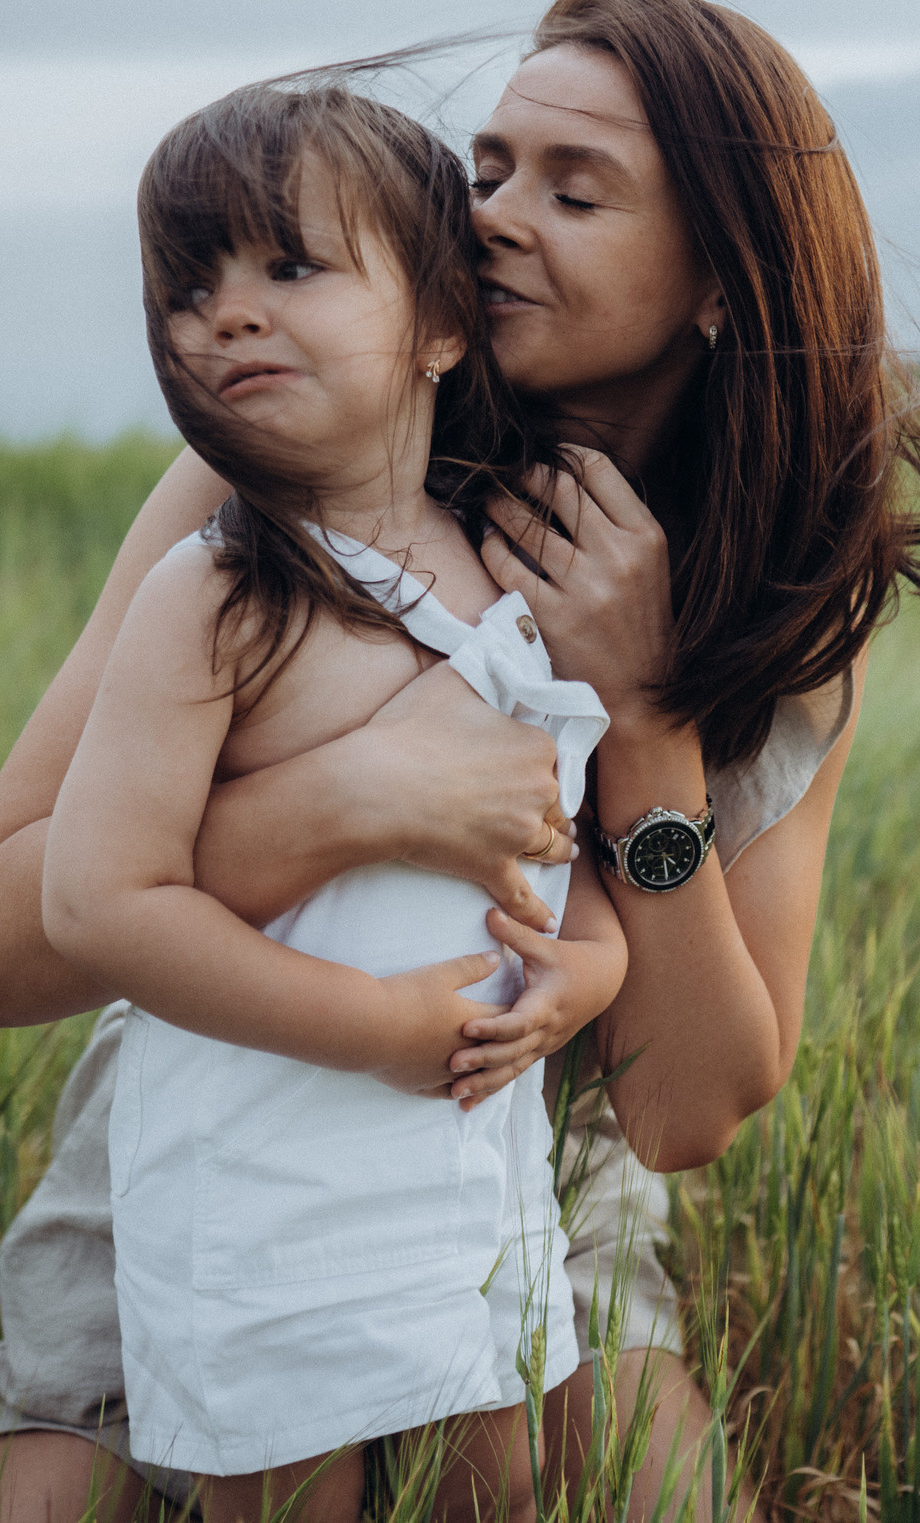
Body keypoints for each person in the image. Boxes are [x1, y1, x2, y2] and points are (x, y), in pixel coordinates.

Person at [0, 0, 920, 1523]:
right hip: (229, 1110)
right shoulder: (283, 486)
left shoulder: (776, 610)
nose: (493, 214)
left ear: (720, 279)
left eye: (577, 188)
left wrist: (639, 718)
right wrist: (354, 799)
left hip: (526, 1159)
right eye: (488, 168)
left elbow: (687, 1109)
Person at [42, 79, 628, 1519]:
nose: (223, 314)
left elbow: (564, 864)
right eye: (189, 285)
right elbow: (95, 900)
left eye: (287, 266)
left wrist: (588, 974)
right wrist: (372, 1026)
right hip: (265, 1217)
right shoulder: (217, 595)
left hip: (470, 1190)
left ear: (441, 323)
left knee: (499, 1490)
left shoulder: (514, 575)